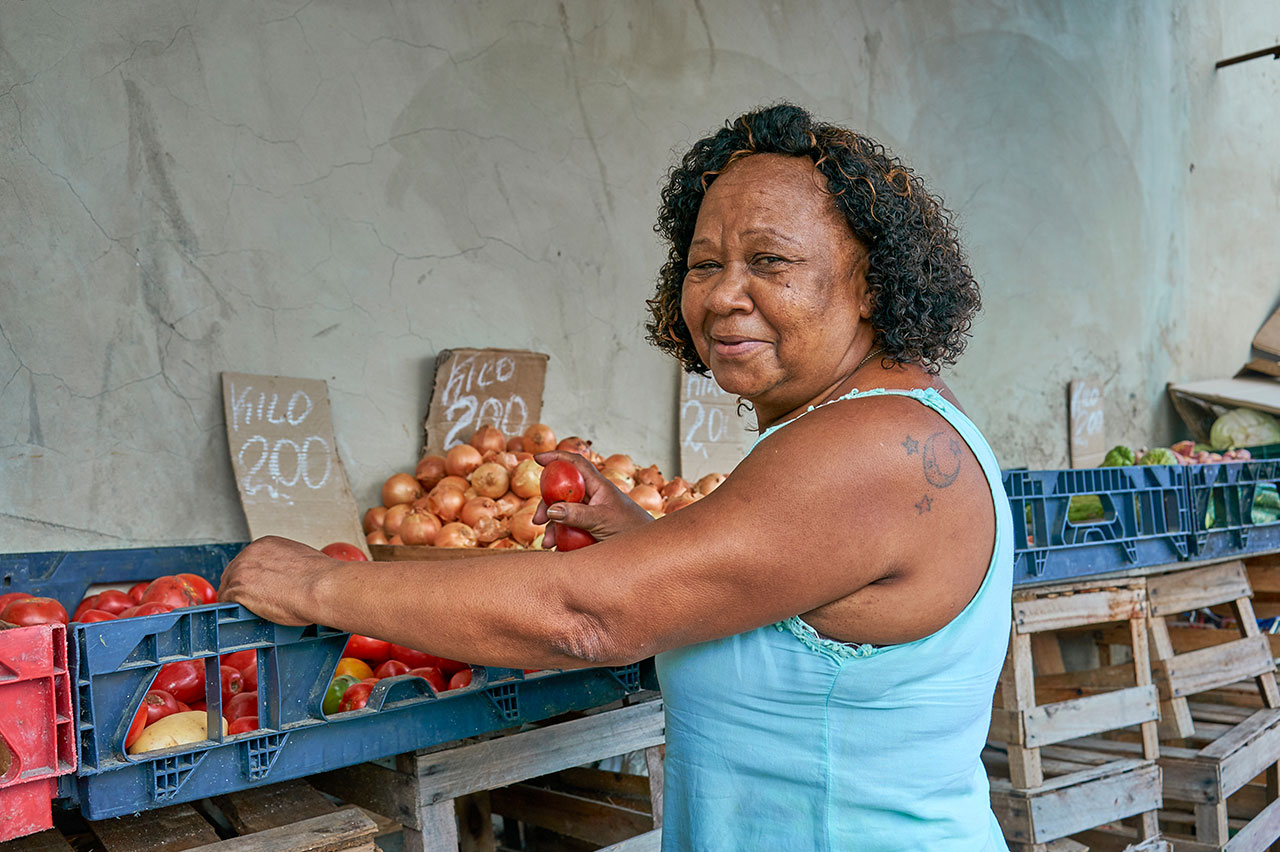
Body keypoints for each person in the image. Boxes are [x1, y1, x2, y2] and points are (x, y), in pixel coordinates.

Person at [220, 102, 1013, 851]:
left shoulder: (871, 447)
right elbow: (786, 604)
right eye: (705, 264)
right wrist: (647, 541)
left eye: (770, 261)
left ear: (872, 282)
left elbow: (587, 618)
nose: (724, 295)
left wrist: (320, 587)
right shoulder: (886, 420)